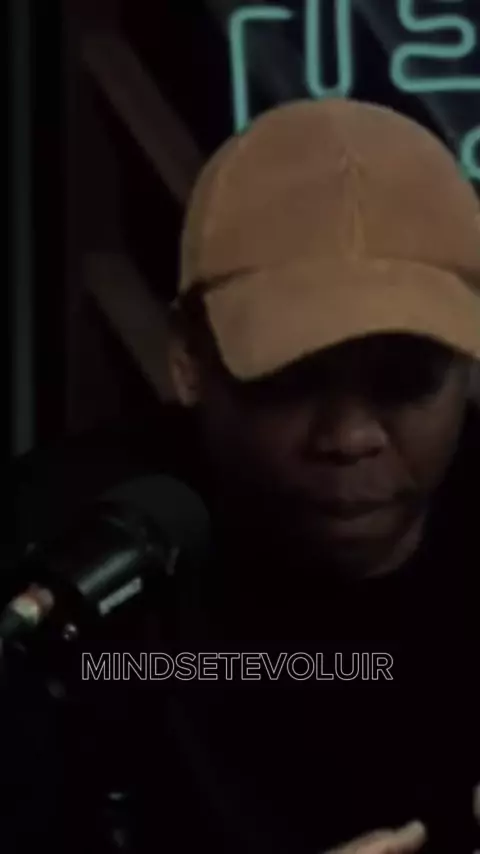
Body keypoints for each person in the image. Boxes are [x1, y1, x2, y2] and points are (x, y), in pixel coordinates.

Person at [2, 98, 480, 854]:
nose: (350, 437)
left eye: (405, 380)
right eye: (293, 378)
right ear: (190, 359)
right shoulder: (52, 556)